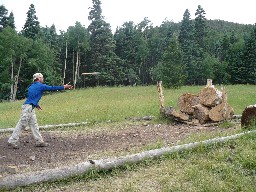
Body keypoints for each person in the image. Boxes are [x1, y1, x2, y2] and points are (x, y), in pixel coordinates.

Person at [8, 73, 73, 149]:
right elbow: (52, 88)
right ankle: (12, 141)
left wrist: (36, 105)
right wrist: (64, 87)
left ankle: (39, 141)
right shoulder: (40, 86)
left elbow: (31, 97)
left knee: (34, 125)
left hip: (30, 107)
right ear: (39, 78)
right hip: (28, 108)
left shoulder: (31, 86)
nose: (43, 79)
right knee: (21, 124)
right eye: (42, 77)